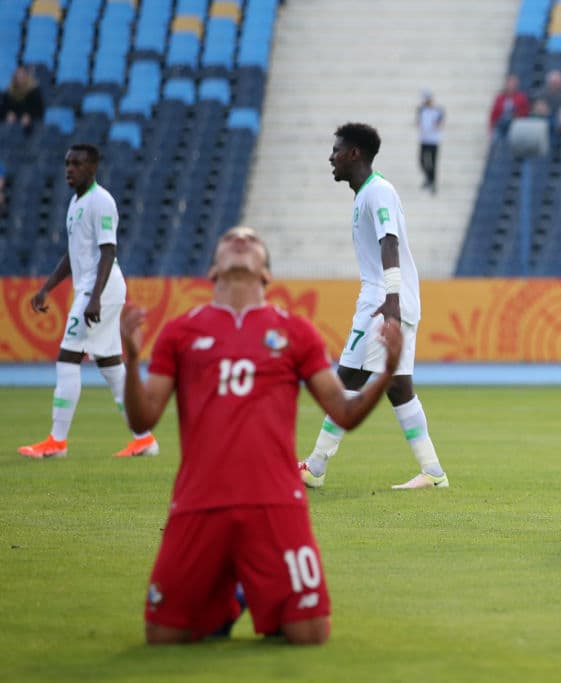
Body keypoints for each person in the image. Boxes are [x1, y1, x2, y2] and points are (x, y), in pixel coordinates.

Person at [120, 226, 403, 644]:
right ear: (214, 268)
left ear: (266, 273)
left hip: (276, 502)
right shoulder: (181, 332)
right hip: (199, 502)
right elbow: (143, 419)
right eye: (231, 238)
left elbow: (343, 411)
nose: (240, 240)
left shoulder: (296, 332)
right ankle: (230, 597)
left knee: (310, 633)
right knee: (161, 636)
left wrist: (386, 372)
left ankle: (242, 589)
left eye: (251, 240)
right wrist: (130, 360)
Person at [299, 123, 449, 491]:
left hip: (383, 301)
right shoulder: (367, 193)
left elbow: (389, 243)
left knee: (347, 378)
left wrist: (391, 300)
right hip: (394, 299)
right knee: (398, 387)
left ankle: (315, 466)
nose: (330, 157)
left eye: (336, 150)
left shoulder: (377, 192)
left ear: (354, 154)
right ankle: (432, 471)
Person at [18, 144, 159, 459]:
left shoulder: (101, 201)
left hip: (100, 289)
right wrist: (47, 288)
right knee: (110, 365)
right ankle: (144, 439)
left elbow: (108, 251)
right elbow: (74, 253)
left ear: (92, 168)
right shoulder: (75, 202)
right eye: (67, 163)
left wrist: (94, 297)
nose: (69, 169)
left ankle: (57, 441)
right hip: (93, 289)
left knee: (68, 357)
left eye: (77, 164)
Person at [1, 66, 45, 134]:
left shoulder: (34, 92)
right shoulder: (9, 92)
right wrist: (7, 114)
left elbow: (39, 110)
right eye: (18, 76)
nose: (20, 78)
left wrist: (30, 116)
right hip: (12, 122)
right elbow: (4, 108)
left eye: (22, 76)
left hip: (29, 123)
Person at [416, 90, 444, 194]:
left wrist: (436, 125)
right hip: (424, 139)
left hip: (434, 141)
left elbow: (440, 123)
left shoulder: (438, 110)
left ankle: (433, 183)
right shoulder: (421, 110)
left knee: (433, 162)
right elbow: (418, 122)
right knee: (422, 161)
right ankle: (429, 178)